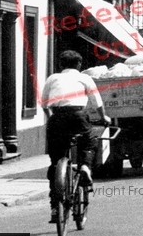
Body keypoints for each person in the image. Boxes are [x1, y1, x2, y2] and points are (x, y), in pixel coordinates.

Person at [41, 50, 111, 223]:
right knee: (89, 141)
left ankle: (55, 209)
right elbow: (97, 102)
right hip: (78, 116)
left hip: (57, 117)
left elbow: (43, 103)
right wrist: (104, 118)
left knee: (56, 160)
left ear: (61, 65)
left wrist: (52, 118)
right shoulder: (85, 78)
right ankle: (86, 167)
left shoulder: (52, 78)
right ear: (79, 65)